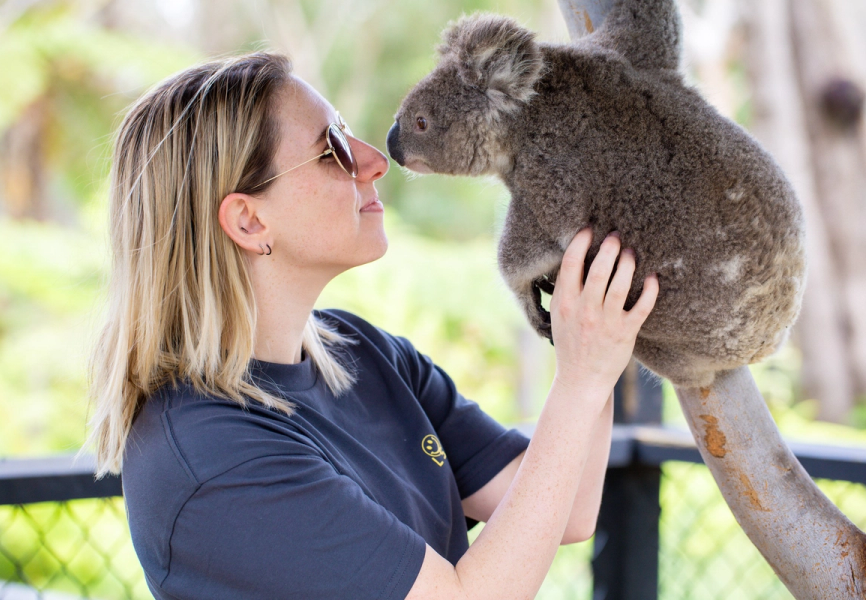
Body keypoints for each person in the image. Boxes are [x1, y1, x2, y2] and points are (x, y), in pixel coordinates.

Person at [84, 51, 658, 600]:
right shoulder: (214, 455)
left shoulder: (362, 352)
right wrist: (581, 376)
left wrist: (592, 322)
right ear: (249, 220)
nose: (375, 160)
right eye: (332, 148)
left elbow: (575, 505)